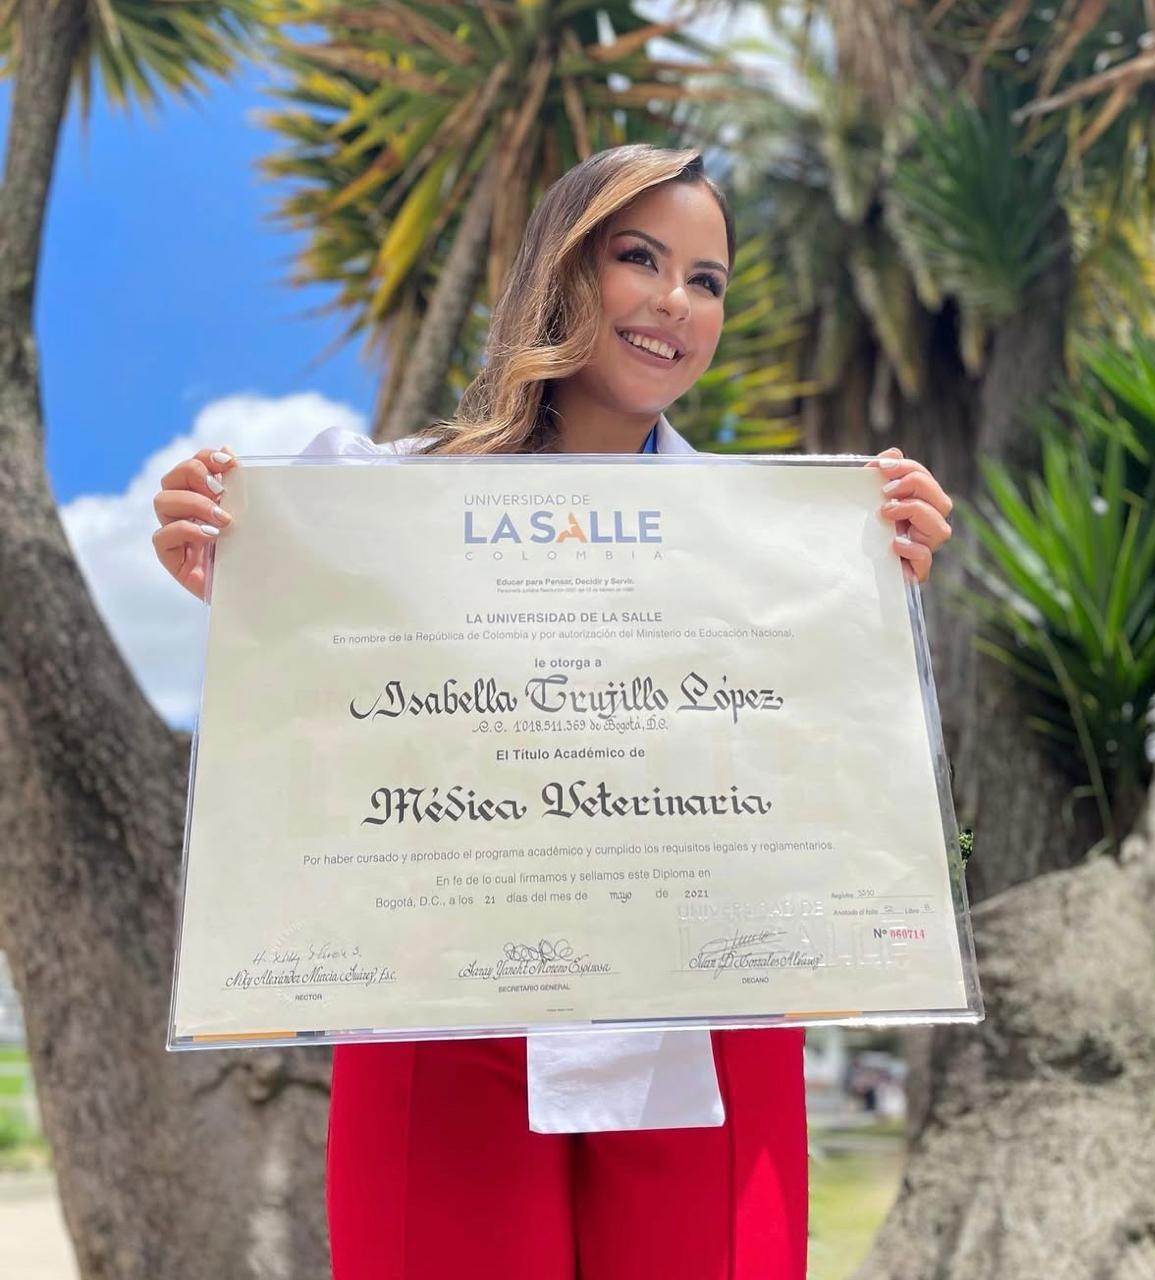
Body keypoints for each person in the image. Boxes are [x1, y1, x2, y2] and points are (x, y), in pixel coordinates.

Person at [152, 143, 954, 1279]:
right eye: (640, 257)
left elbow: (826, 779)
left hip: (707, 1009)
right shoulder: (373, 496)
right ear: (562, 268)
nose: (676, 301)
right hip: (440, 1004)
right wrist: (230, 560)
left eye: (707, 279)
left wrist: (875, 591)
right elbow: (309, 728)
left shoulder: (776, 543)